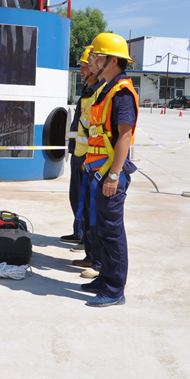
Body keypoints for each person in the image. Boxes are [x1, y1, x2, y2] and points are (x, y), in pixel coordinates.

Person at [79, 33, 139, 307]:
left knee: (113, 233)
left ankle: (115, 289)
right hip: (99, 170)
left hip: (110, 173)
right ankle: (105, 277)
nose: (92, 60)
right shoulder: (106, 88)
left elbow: (124, 136)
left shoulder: (121, 93)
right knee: (103, 230)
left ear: (113, 61)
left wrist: (114, 175)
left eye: (97, 56)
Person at [61, 47, 103, 260]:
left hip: (88, 157)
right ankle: (80, 233)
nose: (81, 69)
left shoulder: (98, 92)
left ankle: (88, 243)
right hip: (79, 153)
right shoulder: (87, 90)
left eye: (84, 66)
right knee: (77, 199)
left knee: (86, 203)